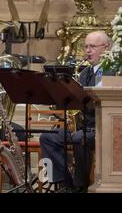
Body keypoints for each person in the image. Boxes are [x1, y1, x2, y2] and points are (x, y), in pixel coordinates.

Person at [40, 30, 113, 192]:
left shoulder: (113, 71)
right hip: (83, 127)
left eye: (92, 47)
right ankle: (65, 183)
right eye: (86, 46)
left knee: (81, 138)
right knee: (48, 138)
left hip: (103, 128)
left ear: (106, 48)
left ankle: (81, 186)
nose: (87, 51)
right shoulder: (84, 72)